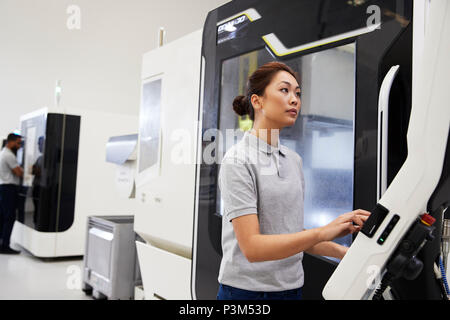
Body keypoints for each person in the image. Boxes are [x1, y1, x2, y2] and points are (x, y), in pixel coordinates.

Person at [217, 62, 371, 300]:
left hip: (291, 289)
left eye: (298, 93)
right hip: (246, 293)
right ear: (257, 102)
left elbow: (291, 234)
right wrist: (323, 232)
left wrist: (346, 253)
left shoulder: (293, 160)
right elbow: (252, 248)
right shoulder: (238, 159)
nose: (294, 99)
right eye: (284, 90)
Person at [0, 133, 24, 254]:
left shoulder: (3, 152)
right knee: (10, 217)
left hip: (3, 188)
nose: (19, 146)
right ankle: (5, 245)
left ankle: (2, 243)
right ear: (11, 142)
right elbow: (19, 173)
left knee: (3, 216)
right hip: (9, 188)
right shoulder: (9, 155)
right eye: (18, 143)